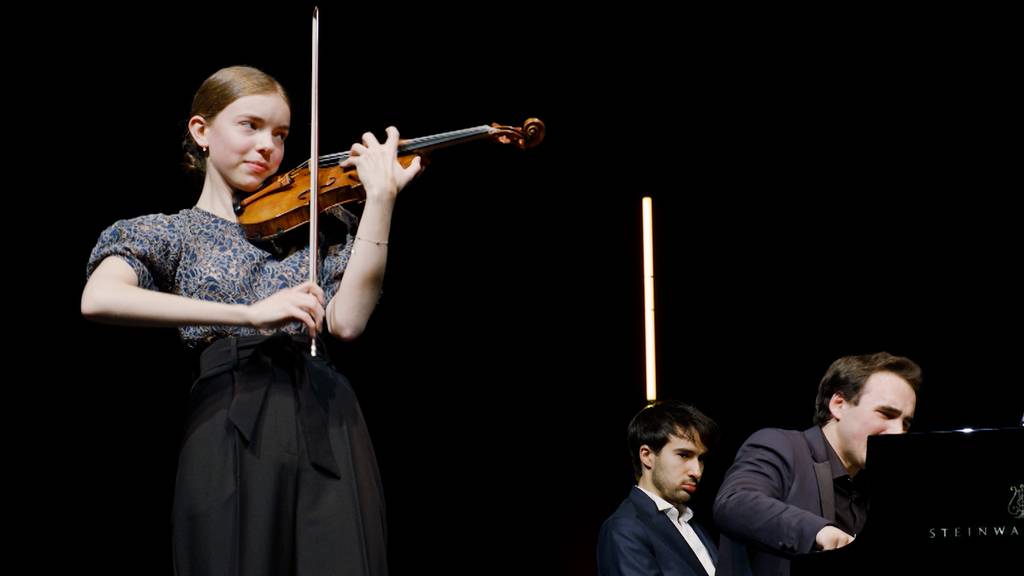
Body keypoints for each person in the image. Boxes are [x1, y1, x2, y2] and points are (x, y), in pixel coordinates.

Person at [81, 65, 421, 575]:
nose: (269, 146)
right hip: (229, 416)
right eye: (250, 125)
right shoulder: (169, 232)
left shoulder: (316, 230)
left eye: (281, 135)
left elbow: (347, 322)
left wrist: (380, 200)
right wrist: (247, 314)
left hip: (327, 416)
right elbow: (100, 297)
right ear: (201, 132)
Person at [713, 352, 922, 576]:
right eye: (886, 414)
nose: (899, 432)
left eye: (906, 423)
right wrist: (818, 531)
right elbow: (734, 502)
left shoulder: (873, 485)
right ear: (839, 404)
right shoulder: (781, 445)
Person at [598, 401, 721, 576]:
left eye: (700, 459)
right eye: (684, 455)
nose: (697, 471)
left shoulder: (690, 522)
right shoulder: (624, 528)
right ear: (647, 456)